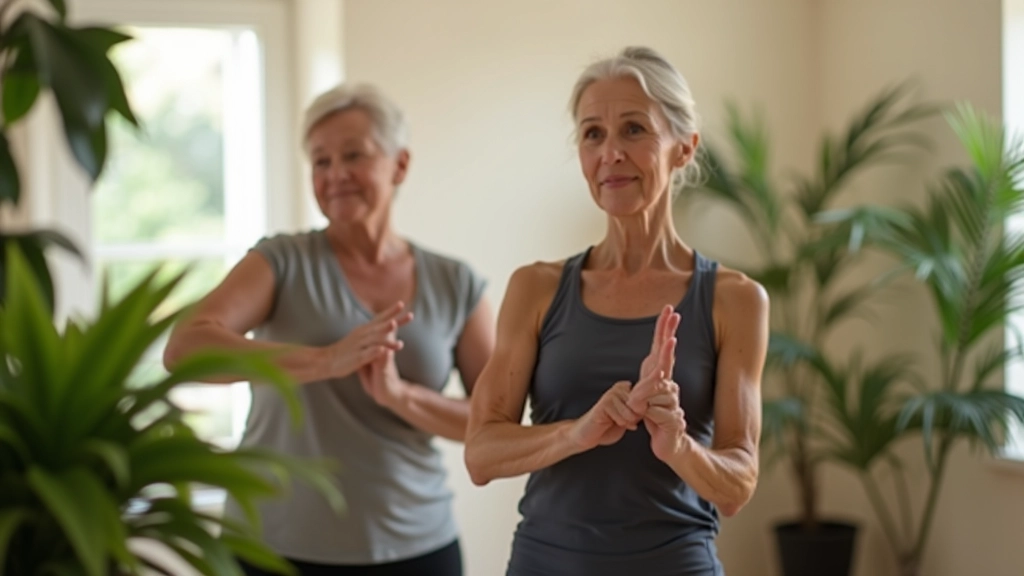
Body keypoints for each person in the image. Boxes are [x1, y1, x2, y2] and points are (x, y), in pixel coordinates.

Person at [163, 82, 494, 576]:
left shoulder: (456, 281)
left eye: (353, 155)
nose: (335, 175)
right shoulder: (281, 260)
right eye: (320, 161)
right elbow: (185, 348)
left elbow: (493, 423)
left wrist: (399, 396)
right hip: (274, 546)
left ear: (399, 164)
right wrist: (326, 360)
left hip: (416, 546)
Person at [464, 46, 770, 576]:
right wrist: (576, 431)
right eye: (592, 134)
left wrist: (678, 446)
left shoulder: (735, 299)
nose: (610, 153)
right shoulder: (535, 288)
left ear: (684, 148)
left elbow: (738, 483)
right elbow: (481, 453)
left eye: (634, 129)